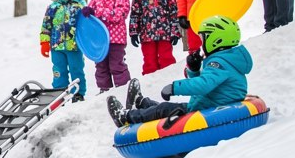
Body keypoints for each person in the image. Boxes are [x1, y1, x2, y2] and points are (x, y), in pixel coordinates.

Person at [107, 15, 251, 127]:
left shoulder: (219, 63)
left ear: (216, 40)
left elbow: (203, 85)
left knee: (164, 109)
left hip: (207, 112)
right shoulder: (227, 60)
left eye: (203, 39)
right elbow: (208, 83)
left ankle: (126, 117)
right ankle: (141, 102)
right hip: (205, 107)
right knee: (165, 109)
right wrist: (194, 70)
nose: (201, 43)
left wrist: (175, 87)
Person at [81, 0, 132, 94]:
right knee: (101, 66)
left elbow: (119, 15)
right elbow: (90, 17)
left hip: (116, 39)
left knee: (116, 65)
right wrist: (86, 12)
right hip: (100, 39)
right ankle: (105, 89)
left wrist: (98, 13)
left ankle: (123, 88)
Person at [40, 0, 88, 102]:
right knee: (58, 70)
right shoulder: (53, 7)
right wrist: (44, 42)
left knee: (76, 69)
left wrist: (89, 13)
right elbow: (46, 26)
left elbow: (88, 26)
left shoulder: (81, 6)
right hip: (57, 47)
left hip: (75, 46)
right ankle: (59, 92)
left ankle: (78, 93)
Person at [128, 0, 180, 75]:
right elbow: (135, 14)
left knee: (166, 58)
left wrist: (175, 32)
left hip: (164, 34)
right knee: (149, 60)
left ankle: (168, 78)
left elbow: (174, 13)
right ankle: (149, 81)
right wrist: (134, 32)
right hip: (146, 35)